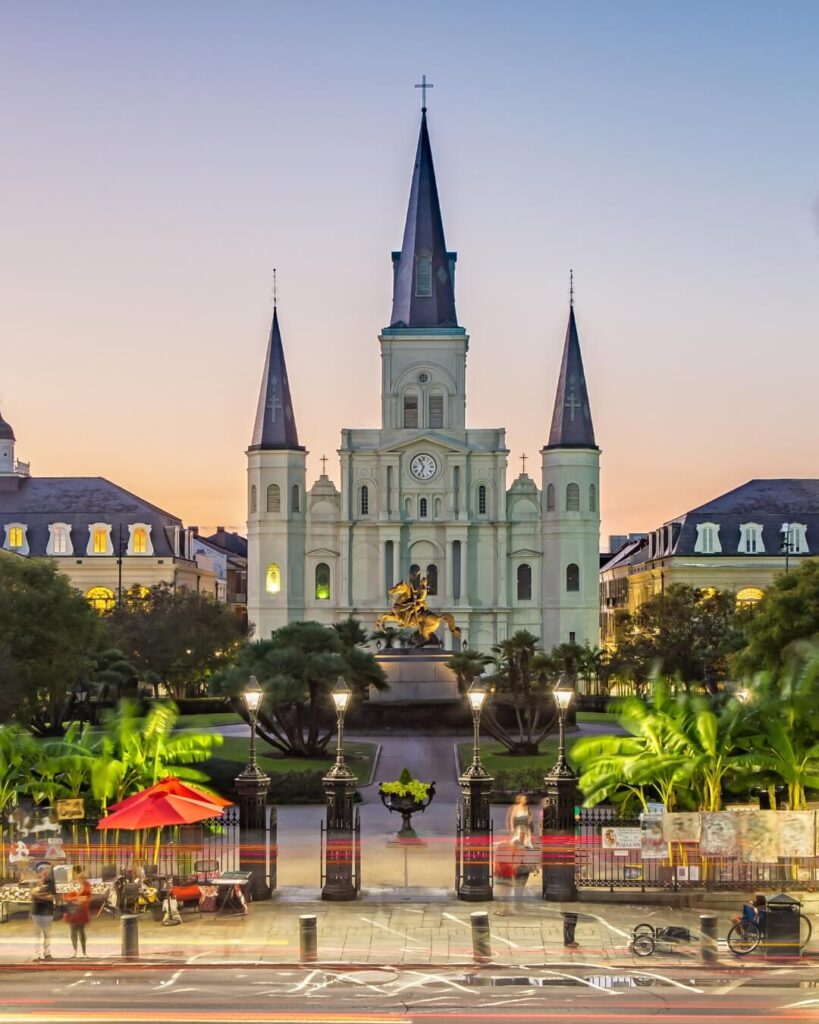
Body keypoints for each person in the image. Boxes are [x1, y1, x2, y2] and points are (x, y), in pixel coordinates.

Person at [65, 865, 92, 958]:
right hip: (73, 912)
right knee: (73, 932)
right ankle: (75, 951)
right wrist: (75, 898)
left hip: (81, 912)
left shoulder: (86, 885)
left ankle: (84, 952)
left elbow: (86, 898)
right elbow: (68, 897)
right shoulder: (74, 885)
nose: (77, 878)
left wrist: (74, 898)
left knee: (81, 931)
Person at [30, 864, 56, 961]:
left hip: (47, 912)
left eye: (45, 870)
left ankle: (47, 953)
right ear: (38, 872)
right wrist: (42, 894)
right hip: (36, 912)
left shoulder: (50, 883)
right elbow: (32, 895)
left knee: (47, 935)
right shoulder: (34, 883)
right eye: (41, 870)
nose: (44, 872)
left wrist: (38, 895)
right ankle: (37, 954)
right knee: (37, 935)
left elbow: (51, 897)